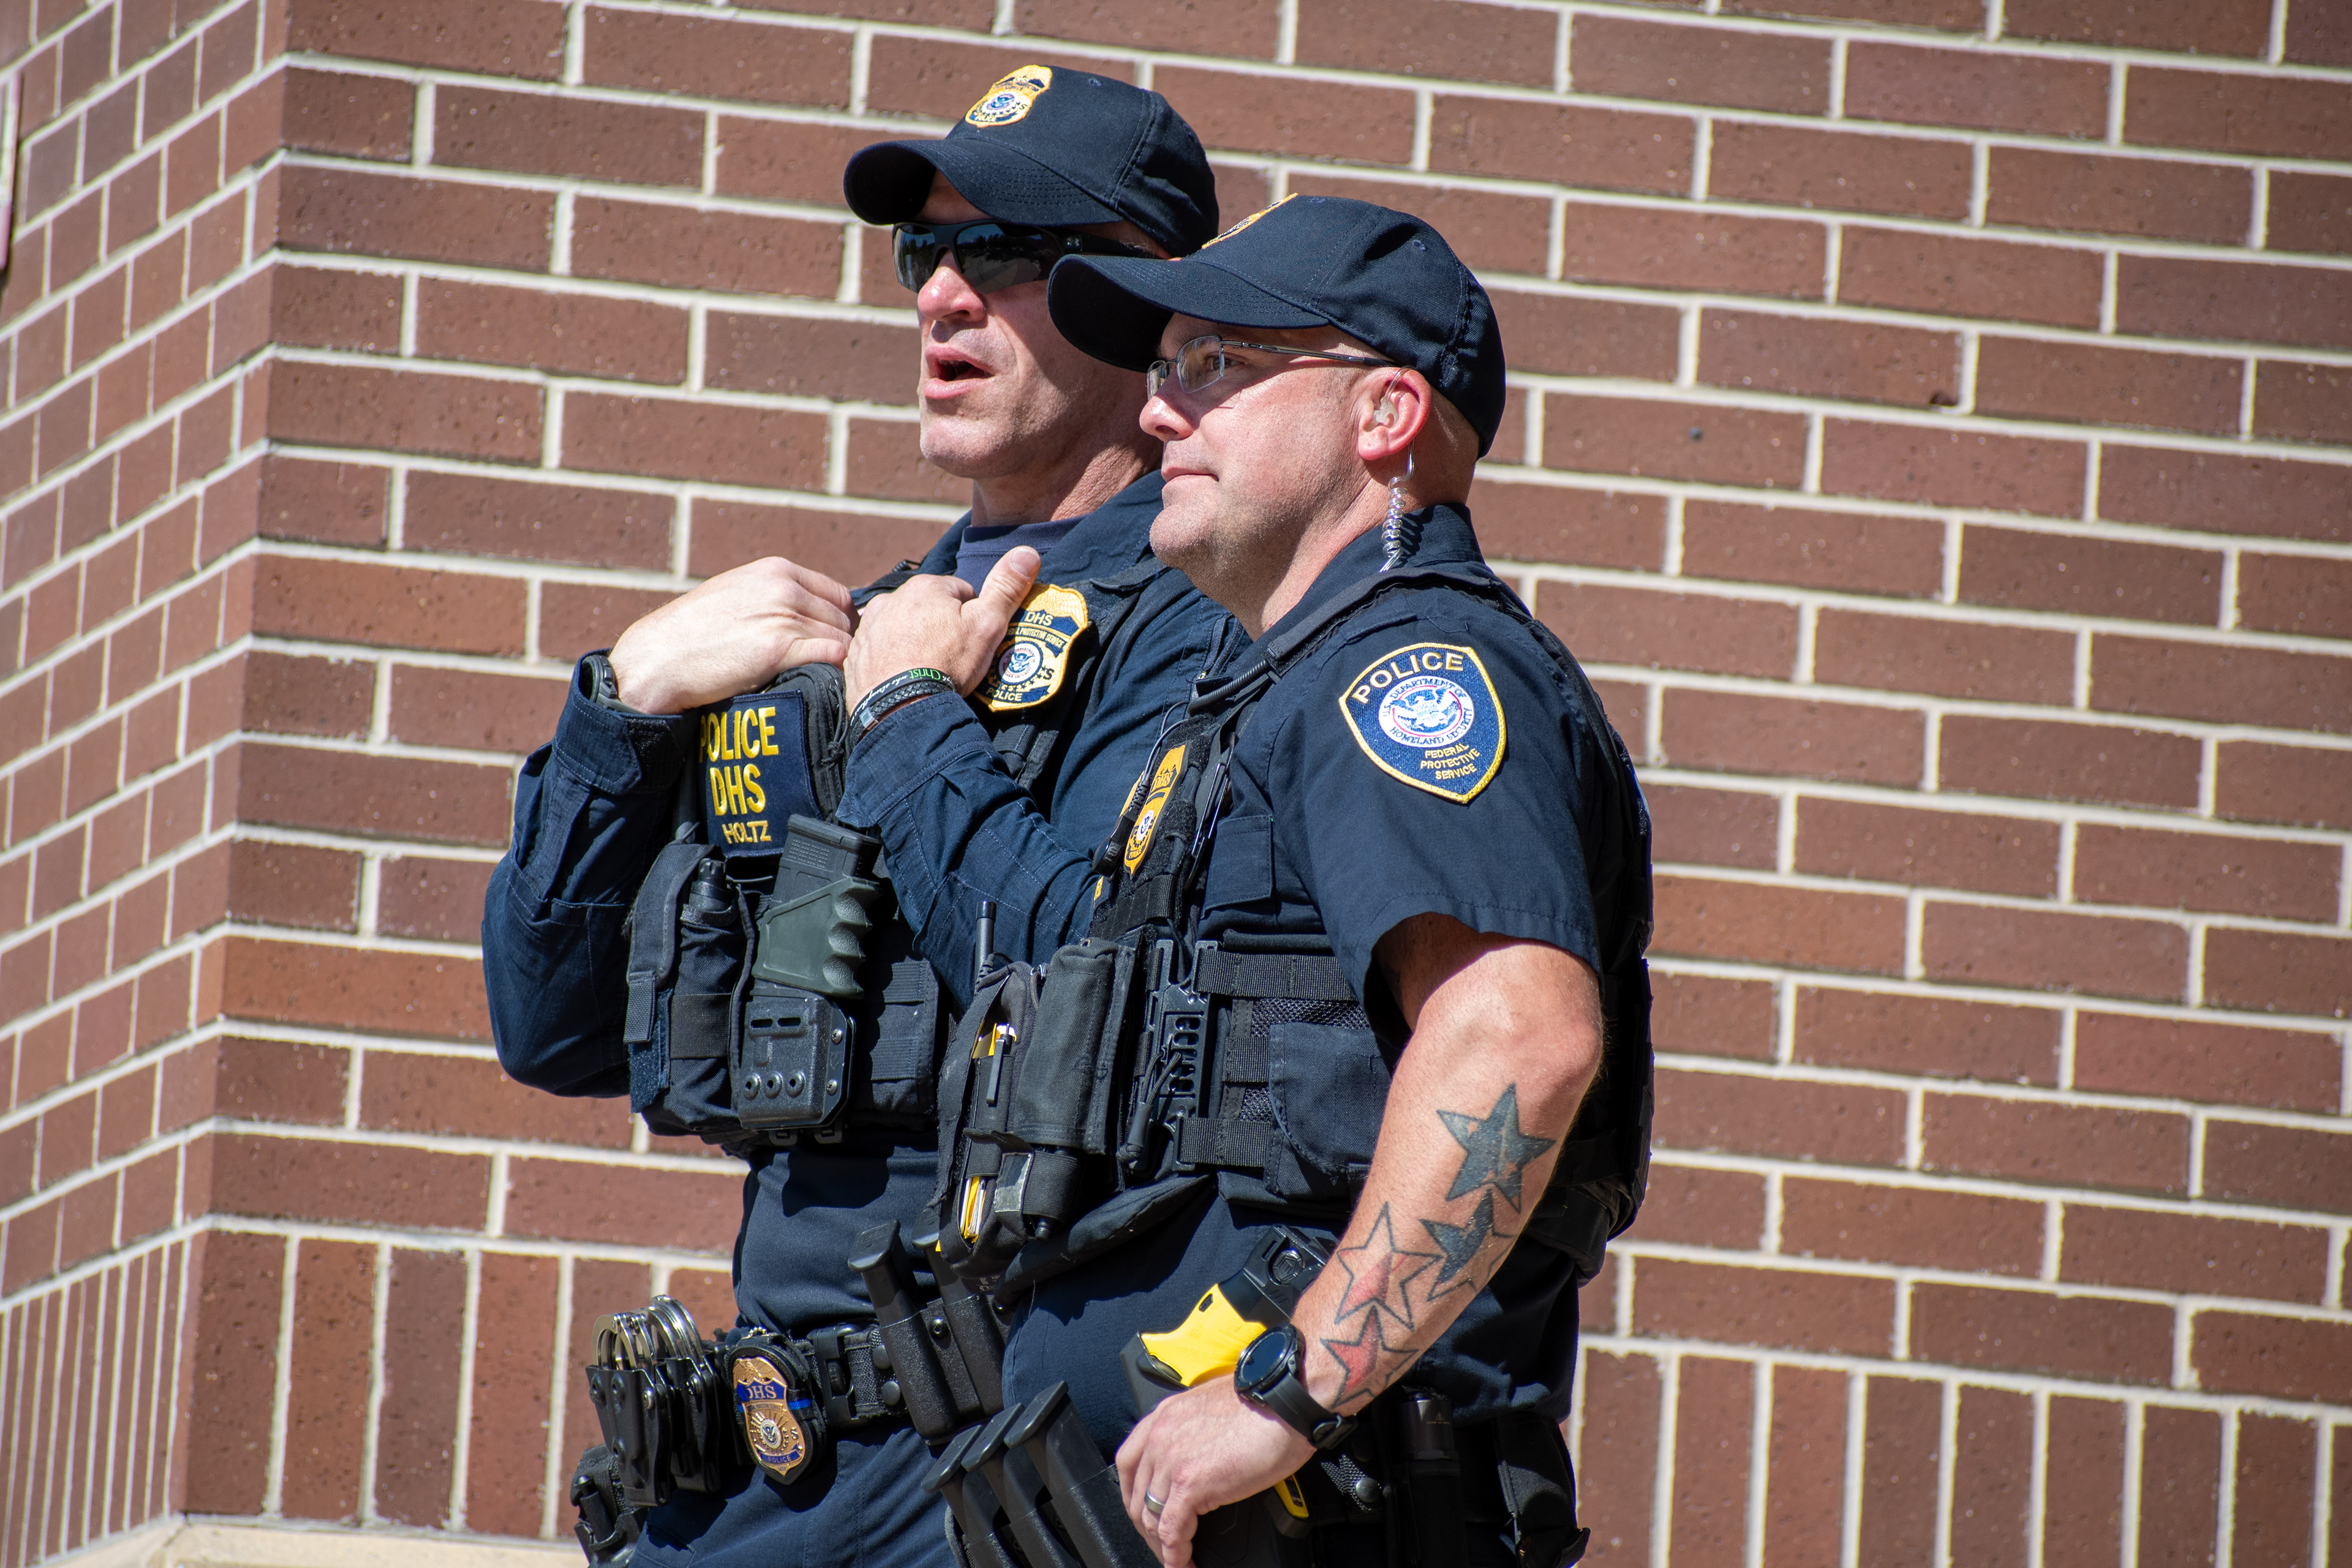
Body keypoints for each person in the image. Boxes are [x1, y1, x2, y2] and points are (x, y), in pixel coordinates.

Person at [481, 67, 1237, 1566]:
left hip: (997, 1468)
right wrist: (619, 712)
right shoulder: (848, 630)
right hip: (759, 1468)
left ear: (1147, 304)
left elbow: (1100, 1009)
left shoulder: (1202, 631)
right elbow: (552, 1028)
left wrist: (915, 722)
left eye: (1006, 254)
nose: (944, 294)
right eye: (922, 254)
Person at [854, 194, 1654, 1567]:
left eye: (1215, 366)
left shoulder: (1408, 672)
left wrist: (1296, 1385)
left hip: (1338, 1520)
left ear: (1385, 415)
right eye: (1162, 370)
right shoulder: (1273, 691)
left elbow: (1519, 1035)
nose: (1162, 411)